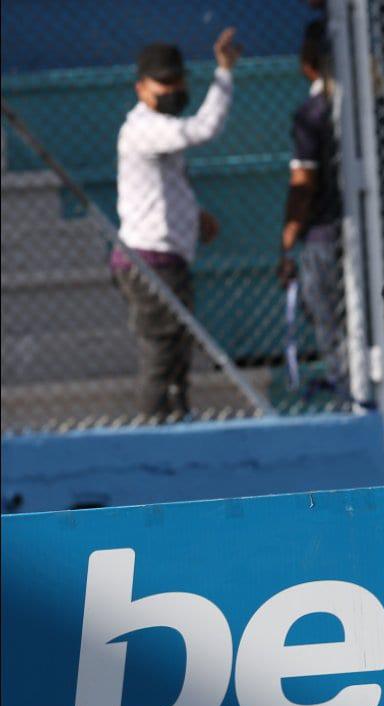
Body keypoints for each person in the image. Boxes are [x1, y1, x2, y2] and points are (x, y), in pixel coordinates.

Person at [111, 29, 240, 422]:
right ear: (141, 88)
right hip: (150, 261)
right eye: (163, 83)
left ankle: (177, 422)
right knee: (162, 351)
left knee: (177, 350)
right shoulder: (144, 127)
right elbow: (200, 130)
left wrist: (196, 214)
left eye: (177, 80)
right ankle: (154, 429)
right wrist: (224, 74)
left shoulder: (159, 129)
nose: (173, 89)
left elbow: (166, 182)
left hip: (166, 258)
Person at [276, 20, 345, 395]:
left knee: (326, 311)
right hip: (364, 229)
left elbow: (303, 184)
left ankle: (344, 380)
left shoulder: (313, 113)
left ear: (307, 63)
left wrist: (288, 237)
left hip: (323, 230)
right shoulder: (364, 107)